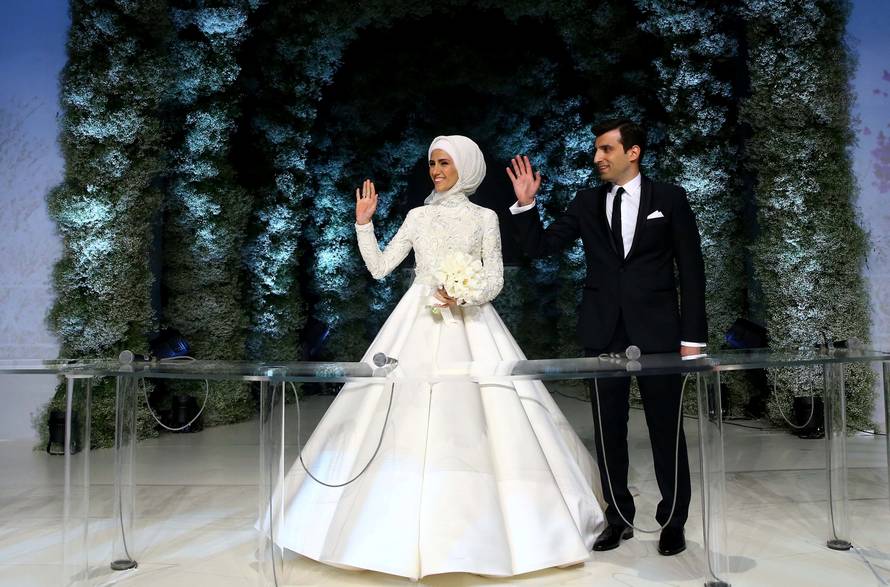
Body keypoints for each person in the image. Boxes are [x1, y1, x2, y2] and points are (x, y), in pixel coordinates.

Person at [263, 135, 604, 580]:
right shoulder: (417, 216)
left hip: (471, 323)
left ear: (465, 166)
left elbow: (495, 278)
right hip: (416, 321)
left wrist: (465, 293)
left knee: (485, 419)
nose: (437, 170)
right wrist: (364, 225)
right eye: (432, 163)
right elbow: (382, 267)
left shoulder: (485, 218)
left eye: (444, 162)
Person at [506, 119, 707, 557]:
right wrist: (525, 206)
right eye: (597, 151)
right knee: (607, 430)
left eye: (606, 150)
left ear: (632, 152)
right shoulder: (585, 202)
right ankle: (618, 516)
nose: (598, 158)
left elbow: (691, 271)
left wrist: (693, 338)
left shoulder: (670, 199)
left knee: (666, 430)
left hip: (659, 334)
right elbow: (540, 248)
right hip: (603, 332)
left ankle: (674, 521)